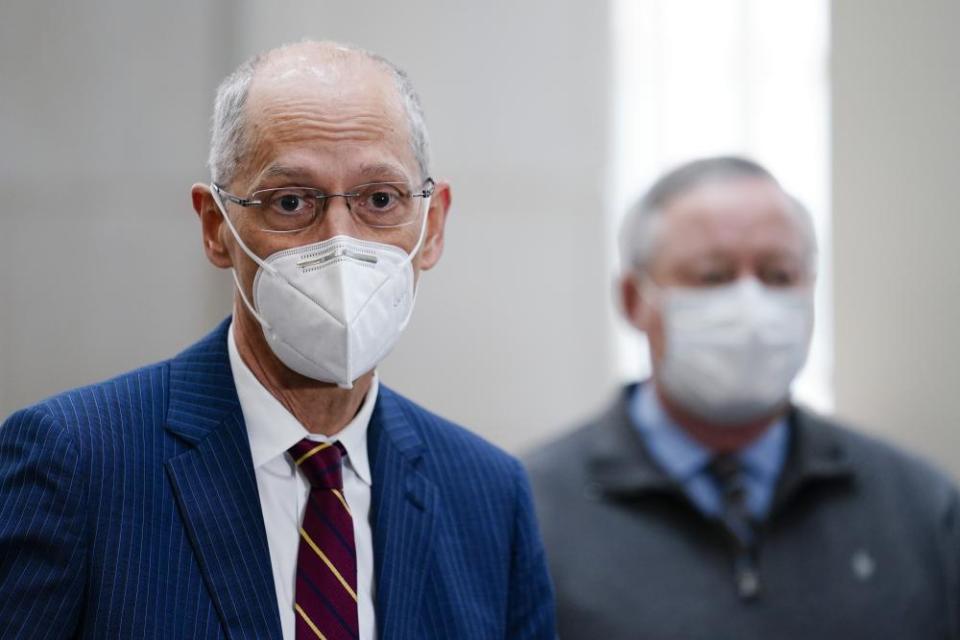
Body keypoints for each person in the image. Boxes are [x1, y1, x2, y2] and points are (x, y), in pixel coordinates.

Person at [0, 41, 555, 640]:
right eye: (291, 202)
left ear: (432, 227)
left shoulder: (487, 496)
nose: (340, 242)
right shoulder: (78, 462)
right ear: (216, 228)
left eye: (378, 200)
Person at [526, 156, 960, 639]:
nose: (751, 307)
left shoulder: (917, 508)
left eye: (778, 275)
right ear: (633, 299)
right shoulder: (532, 513)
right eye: (712, 275)